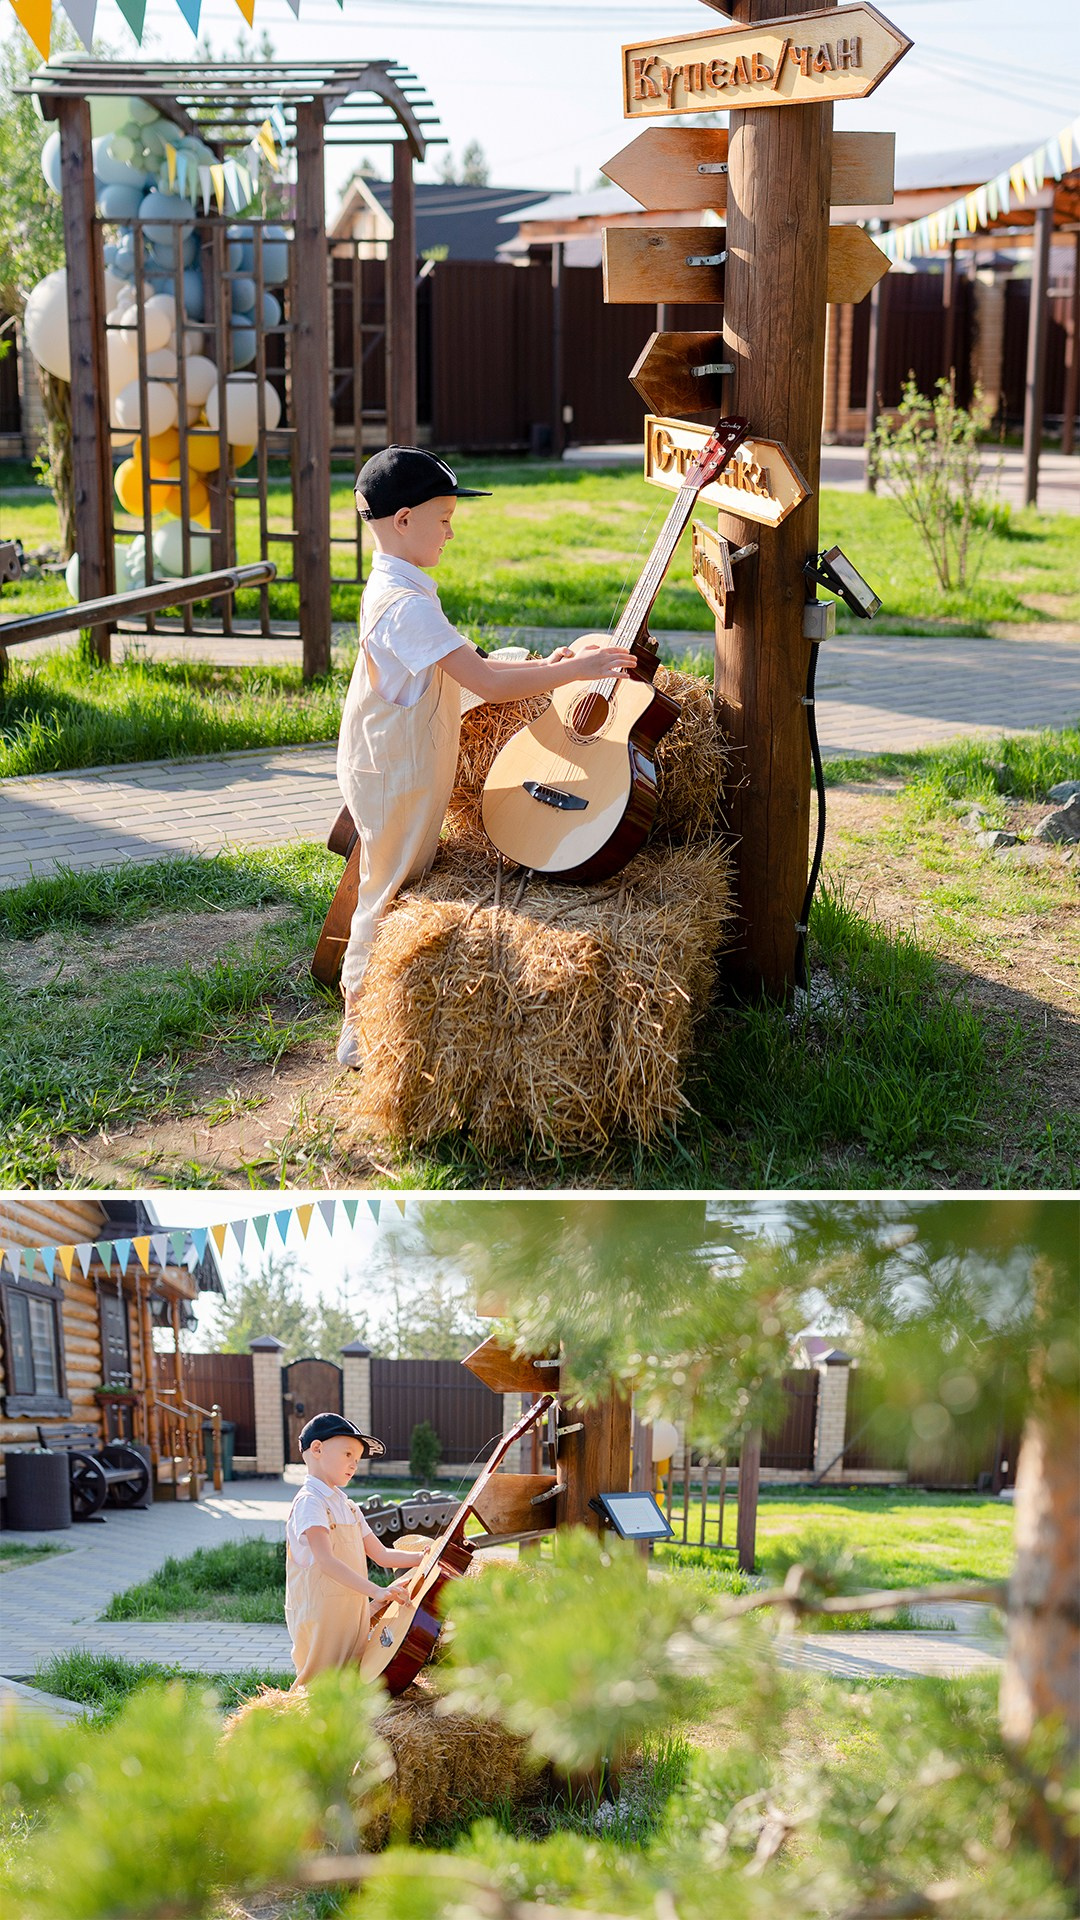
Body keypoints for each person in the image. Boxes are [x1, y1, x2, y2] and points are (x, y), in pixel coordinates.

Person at [334, 444, 638, 1067]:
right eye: (442, 519)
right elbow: (487, 685)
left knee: (397, 877)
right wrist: (576, 669)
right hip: (395, 773)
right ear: (403, 520)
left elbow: (461, 672)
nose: (449, 532)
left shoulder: (404, 588)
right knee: (386, 886)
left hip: (400, 764)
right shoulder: (404, 605)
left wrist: (536, 665)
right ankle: (357, 1020)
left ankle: (371, 1007)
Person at [285, 1411, 425, 1687]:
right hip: (322, 1612)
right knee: (319, 1681)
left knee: (351, 1677)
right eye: (348, 1454)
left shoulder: (347, 1505)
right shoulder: (310, 1502)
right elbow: (326, 1562)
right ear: (317, 1448)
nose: (354, 1465)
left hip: (352, 1607)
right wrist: (376, 1591)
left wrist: (425, 1557)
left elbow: (382, 1554)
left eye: (357, 1459)